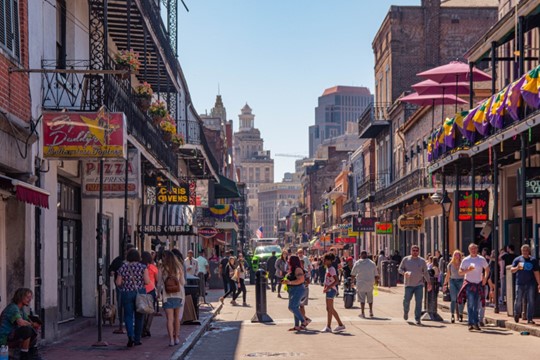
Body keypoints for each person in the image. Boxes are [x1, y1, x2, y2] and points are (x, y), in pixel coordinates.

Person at [116, 248, 150, 347]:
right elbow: (147, 281)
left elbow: (118, 282)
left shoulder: (123, 268)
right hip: (140, 293)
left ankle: (130, 336)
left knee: (128, 316)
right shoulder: (143, 267)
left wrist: (125, 284)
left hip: (127, 293)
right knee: (139, 316)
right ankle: (137, 338)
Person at [0, 288, 41, 360]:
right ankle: (24, 356)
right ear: (20, 297)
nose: (30, 299)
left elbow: (29, 321)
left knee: (31, 330)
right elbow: (21, 322)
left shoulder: (21, 310)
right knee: (27, 330)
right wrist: (31, 325)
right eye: (28, 297)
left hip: (11, 336)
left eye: (30, 297)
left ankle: (32, 354)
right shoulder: (13, 308)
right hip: (4, 339)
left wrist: (35, 324)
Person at [458, 243, 489, 331]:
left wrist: (485, 278)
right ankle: (471, 323)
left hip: (478, 284)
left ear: (477, 249)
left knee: (477, 305)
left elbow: (487, 269)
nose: (473, 250)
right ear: (469, 250)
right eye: (472, 249)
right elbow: (460, 272)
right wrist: (468, 270)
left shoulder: (481, 259)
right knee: (471, 304)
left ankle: (475, 323)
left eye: (475, 248)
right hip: (469, 284)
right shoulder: (466, 260)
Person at [398, 245, 432, 325]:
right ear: (411, 251)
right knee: (406, 301)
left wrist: (429, 283)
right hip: (408, 284)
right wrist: (404, 273)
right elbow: (400, 269)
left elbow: (426, 273)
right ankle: (406, 312)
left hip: (419, 284)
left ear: (418, 251)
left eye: (416, 250)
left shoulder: (422, 261)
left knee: (419, 302)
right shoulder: (406, 259)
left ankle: (417, 318)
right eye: (413, 250)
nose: (415, 252)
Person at [159, 250, 185, 346]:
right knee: (177, 318)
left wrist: (159, 293)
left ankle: (171, 339)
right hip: (178, 295)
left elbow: (159, 283)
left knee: (170, 319)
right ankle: (177, 337)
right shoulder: (179, 268)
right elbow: (182, 282)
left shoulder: (162, 268)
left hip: (167, 295)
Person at [510, 244, 540, 324]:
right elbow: (512, 270)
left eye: (526, 250)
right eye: (523, 250)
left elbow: (536, 272)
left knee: (531, 300)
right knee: (518, 299)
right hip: (520, 283)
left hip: (531, 283)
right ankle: (517, 314)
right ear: (521, 251)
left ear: (529, 251)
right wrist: (517, 268)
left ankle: (529, 318)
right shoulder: (517, 259)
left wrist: (539, 283)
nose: (525, 252)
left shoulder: (533, 260)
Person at [108, 243, 135, 332]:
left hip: (131, 287)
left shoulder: (135, 262)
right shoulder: (119, 260)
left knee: (130, 305)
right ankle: (122, 320)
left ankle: (128, 320)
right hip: (121, 287)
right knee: (120, 303)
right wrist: (112, 272)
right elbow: (111, 269)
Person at [283, 255, 309, 331]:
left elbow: (301, 280)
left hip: (298, 289)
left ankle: (304, 321)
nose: (288, 261)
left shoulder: (298, 269)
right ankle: (297, 326)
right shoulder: (293, 269)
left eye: (289, 260)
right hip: (294, 290)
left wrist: (289, 282)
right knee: (295, 307)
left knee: (292, 307)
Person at [321, 252, 345, 332]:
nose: (323, 261)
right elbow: (327, 279)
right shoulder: (328, 268)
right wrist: (325, 287)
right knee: (329, 308)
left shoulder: (331, 269)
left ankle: (328, 326)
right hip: (329, 290)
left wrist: (328, 287)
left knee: (329, 308)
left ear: (329, 260)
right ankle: (340, 324)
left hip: (331, 290)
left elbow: (336, 281)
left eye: (325, 260)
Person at [351, 250, 379, 318]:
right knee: (370, 298)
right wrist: (376, 284)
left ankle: (362, 313)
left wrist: (352, 282)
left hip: (361, 284)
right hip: (370, 283)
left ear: (360, 255)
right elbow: (376, 275)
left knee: (362, 299)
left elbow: (353, 274)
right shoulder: (372, 263)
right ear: (366, 255)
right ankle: (371, 311)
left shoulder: (357, 263)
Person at [443, 250, 464, 323]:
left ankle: (461, 314)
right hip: (452, 281)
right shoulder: (450, 265)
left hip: (461, 281)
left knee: (460, 299)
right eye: (455, 255)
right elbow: (448, 275)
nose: (457, 256)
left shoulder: (462, 264)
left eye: (458, 255)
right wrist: (445, 284)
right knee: (453, 299)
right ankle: (452, 315)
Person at [141, 251, 158, 337]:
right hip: (151, 289)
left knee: (142, 309)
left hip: (142, 289)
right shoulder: (153, 267)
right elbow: (157, 279)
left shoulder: (140, 267)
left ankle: (142, 327)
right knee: (151, 310)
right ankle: (147, 328)